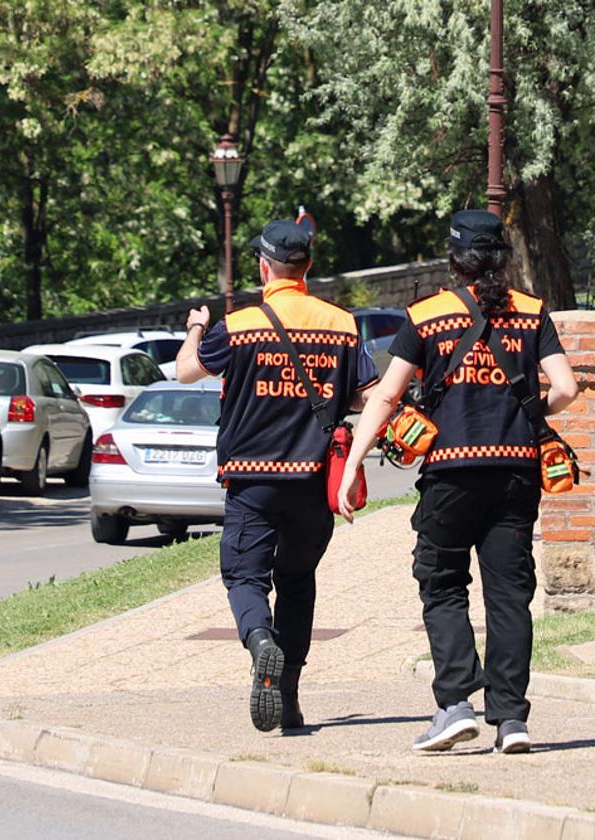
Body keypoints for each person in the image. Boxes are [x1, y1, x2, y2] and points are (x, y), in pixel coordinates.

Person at [337, 209, 579, 754]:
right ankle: (512, 721)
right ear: (502, 257)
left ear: (454, 261)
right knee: (510, 596)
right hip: (517, 471)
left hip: (449, 473)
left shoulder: (427, 316)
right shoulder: (531, 313)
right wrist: (528, 413)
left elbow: (385, 396)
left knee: (443, 583)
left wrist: (354, 462)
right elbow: (566, 388)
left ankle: (454, 705)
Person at [177, 219, 377, 732]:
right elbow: (364, 395)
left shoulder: (240, 324)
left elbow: (186, 371)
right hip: (314, 481)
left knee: (245, 575)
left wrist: (197, 327)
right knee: (297, 582)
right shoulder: (341, 323)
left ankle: (259, 641)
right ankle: (287, 699)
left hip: (252, 479)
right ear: (307, 267)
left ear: (264, 267)